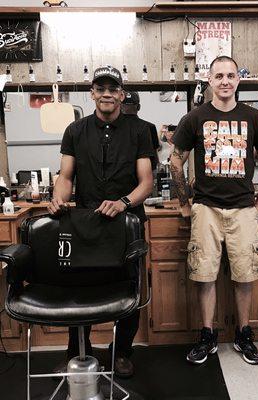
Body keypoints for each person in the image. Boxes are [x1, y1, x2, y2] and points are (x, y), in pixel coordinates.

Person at [48, 66, 155, 378]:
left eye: (113, 88)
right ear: (92, 93)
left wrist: (123, 203)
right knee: (80, 291)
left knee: (129, 291)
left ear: (121, 94)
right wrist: (59, 197)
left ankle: (121, 353)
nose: (107, 93)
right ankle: (77, 352)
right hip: (86, 226)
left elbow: (145, 182)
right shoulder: (75, 131)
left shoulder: (139, 131)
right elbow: (65, 176)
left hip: (127, 225)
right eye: (100, 88)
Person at [170, 56, 258, 365]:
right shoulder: (195, 118)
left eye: (231, 75)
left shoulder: (253, 118)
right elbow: (176, 160)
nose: (225, 81)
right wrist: (183, 203)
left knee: (245, 275)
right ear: (210, 80)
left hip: (243, 208)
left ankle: (243, 334)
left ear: (238, 79)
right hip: (206, 209)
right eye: (219, 76)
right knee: (204, 275)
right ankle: (207, 335)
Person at [121, 91, 160, 169]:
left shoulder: (113, 127)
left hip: (120, 175)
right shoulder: (149, 127)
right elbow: (155, 157)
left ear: (120, 106)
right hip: (144, 173)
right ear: (138, 107)